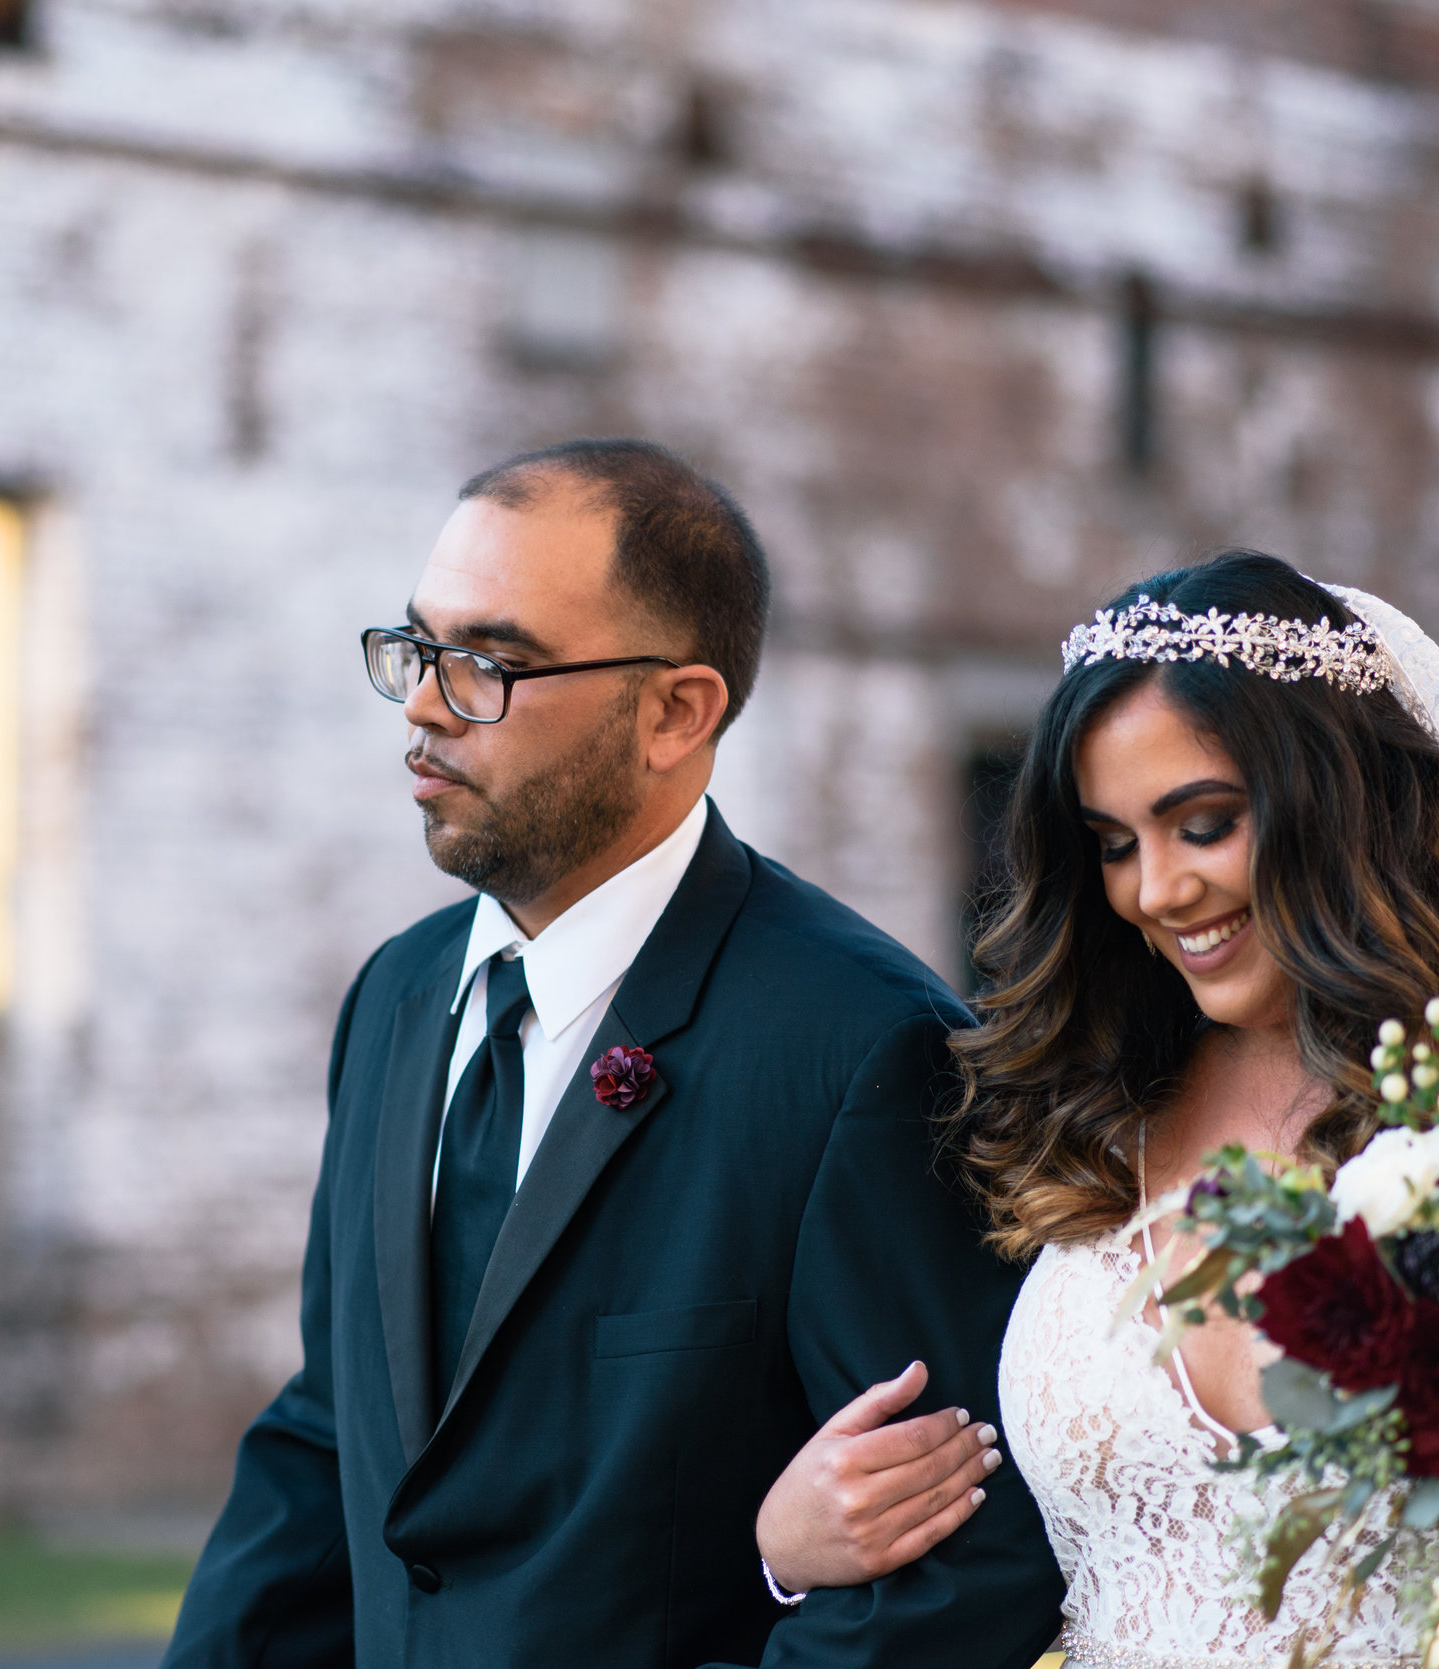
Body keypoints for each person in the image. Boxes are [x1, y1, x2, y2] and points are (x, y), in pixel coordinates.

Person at [163, 438, 1065, 1669]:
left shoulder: (865, 1050)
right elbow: (332, 1442)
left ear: (676, 711)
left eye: (491, 662)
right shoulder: (394, 996)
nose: (427, 703)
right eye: (419, 647)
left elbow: (952, 1574)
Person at [754, 552, 1439, 1667]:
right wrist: (787, 1543)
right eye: (1114, 844)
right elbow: (979, 1522)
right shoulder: (1087, 1116)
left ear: (1337, 794)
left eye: (1202, 823)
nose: (1155, 890)